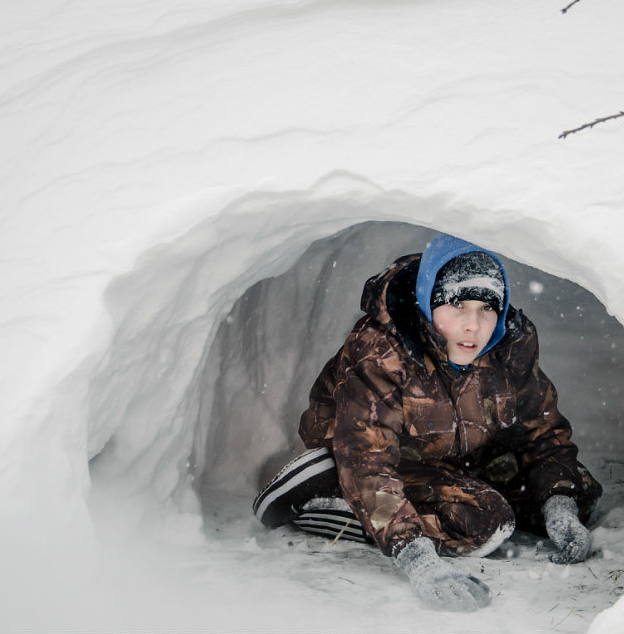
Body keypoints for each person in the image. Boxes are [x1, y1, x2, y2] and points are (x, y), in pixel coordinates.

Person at [253, 233, 602, 611]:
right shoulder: (383, 351)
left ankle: (438, 495)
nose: (474, 325)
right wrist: (416, 556)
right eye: (458, 306)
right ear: (427, 302)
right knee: (483, 522)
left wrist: (560, 508)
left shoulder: (509, 345)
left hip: (455, 449)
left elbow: (543, 432)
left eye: (487, 309)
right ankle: (325, 489)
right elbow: (369, 460)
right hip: (367, 451)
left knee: (573, 488)